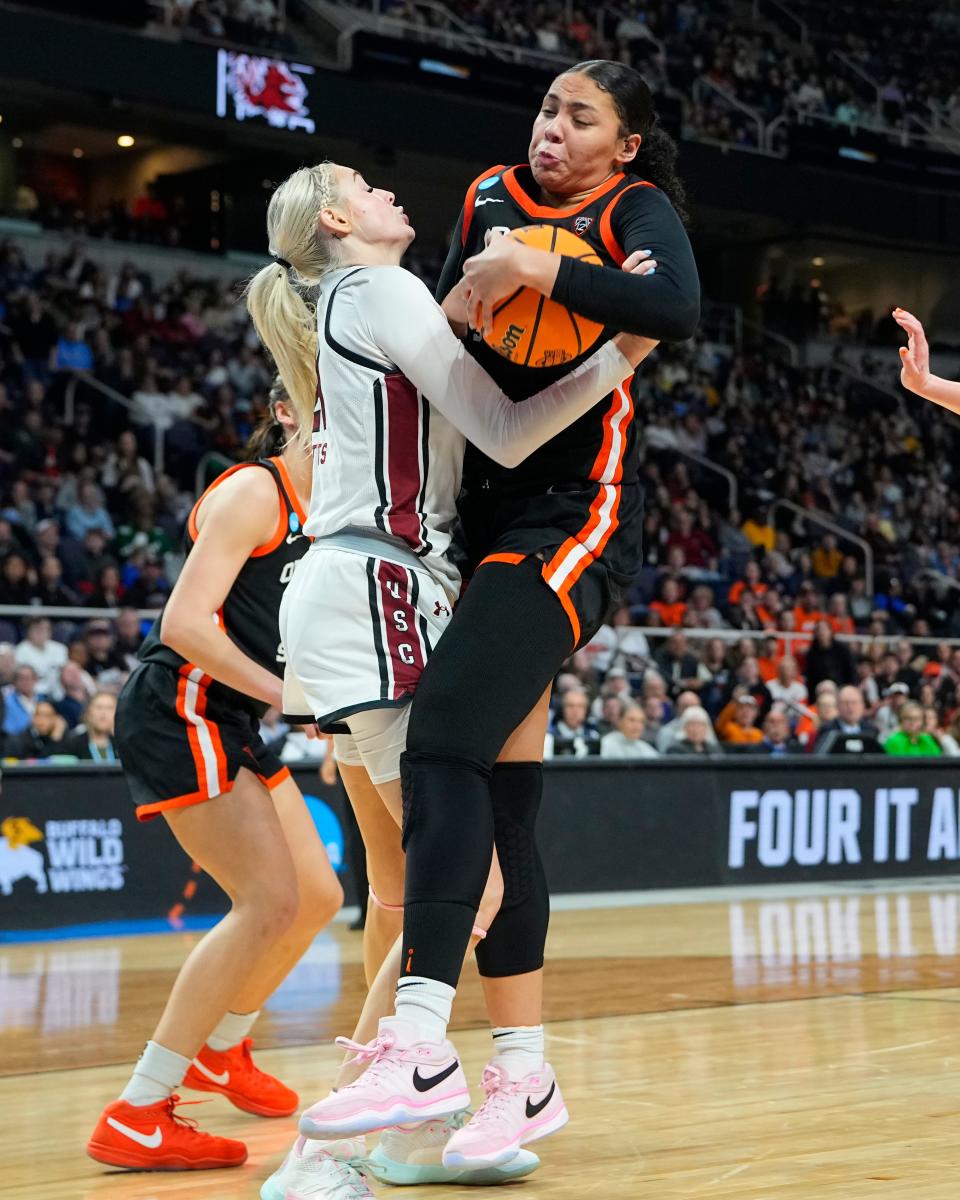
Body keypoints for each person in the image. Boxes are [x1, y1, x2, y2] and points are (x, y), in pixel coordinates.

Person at [295, 58, 699, 1170]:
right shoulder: (481, 195)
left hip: (569, 519)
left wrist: (533, 267)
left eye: (580, 118)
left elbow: (676, 308)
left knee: (443, 742)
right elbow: (451, 346)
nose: (552, 130)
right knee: (504, 804)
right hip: (472, 521)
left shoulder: (632, 210)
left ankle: (420, 1038)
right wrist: (477, 289)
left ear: (623, 146)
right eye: (546, 110)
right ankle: (521, 1075)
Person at [87, 389, 344, 1172]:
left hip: (233, 716)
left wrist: (340, 715)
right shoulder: (253, 490)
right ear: (288, 412)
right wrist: (287, 698)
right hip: (182, 705)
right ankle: (139, 1108)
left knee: (320, 896)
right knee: (267, 902)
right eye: (329, 402)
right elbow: (184, 624)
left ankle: (221, 1051)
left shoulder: (335, 506)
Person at [814, 685, 882, 754]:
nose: (850, 707)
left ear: (863, 705)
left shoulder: (871, 730)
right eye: (846, 703)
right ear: (837, 706)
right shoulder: (827, 730)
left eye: (854, 702)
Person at [61, 691, 118, 761]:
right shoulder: (71, 745)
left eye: (109, 708)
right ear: (88, 712)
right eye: (99, 707)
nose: (104, 713)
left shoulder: (122, 746)